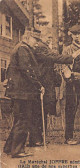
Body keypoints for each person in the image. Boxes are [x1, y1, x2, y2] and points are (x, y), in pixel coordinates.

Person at [27, 30, 78, 147]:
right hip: (42, 84)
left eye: (51, 37)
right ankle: (36, 140)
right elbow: (53, 57)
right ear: (41, 37)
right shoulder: (40, 47)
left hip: (46, 83)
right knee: (39, 112)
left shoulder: (44, 47)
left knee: (43, 111)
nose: (50, 39)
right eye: (48, 37)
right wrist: (70, 57)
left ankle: (38, 139)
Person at [3, 28, 44, 158]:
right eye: (35, 40)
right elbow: (28, 70)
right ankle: (17, 150)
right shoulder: (23, 49)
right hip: (23, 92)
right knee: (23, 120)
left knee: (19, 120)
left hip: (19, 91)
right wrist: (39, 85)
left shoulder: (19, 48)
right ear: (27, 37)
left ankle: (9, 147)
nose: (37, 43)